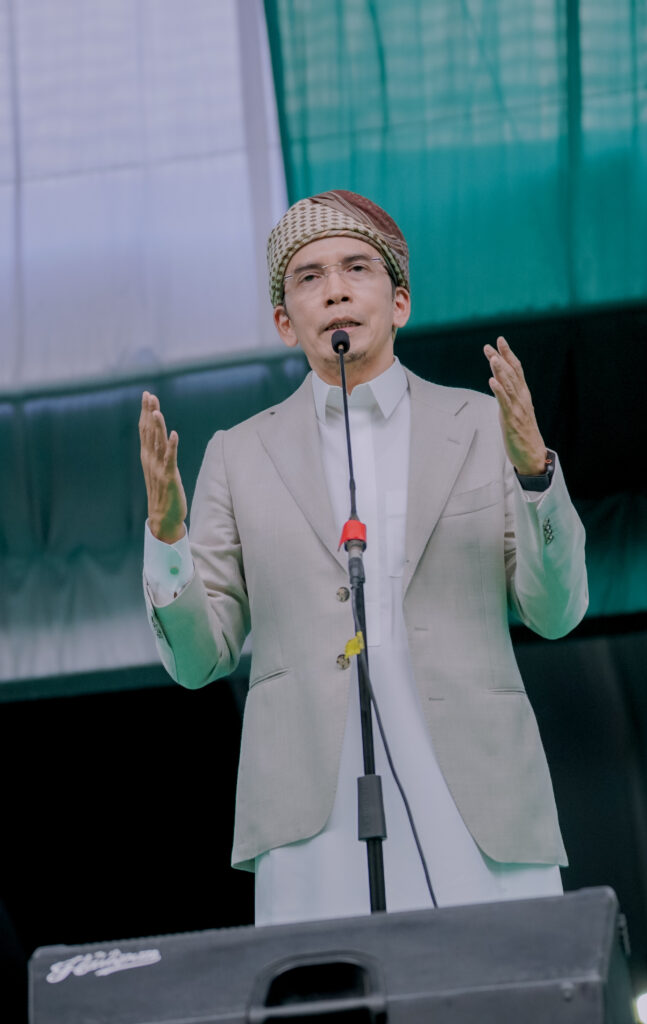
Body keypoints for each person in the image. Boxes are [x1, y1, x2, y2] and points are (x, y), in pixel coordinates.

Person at [139, 190, 588, 926]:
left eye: (357, 268)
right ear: (285, 322)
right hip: (311, 814)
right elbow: (197, 661)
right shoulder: (238, 454)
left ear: (400, 302)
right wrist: (167, 540)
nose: (336, 290)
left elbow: (557, 612)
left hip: (478, 796)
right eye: (309, 277)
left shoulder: (482, 426)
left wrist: (536, 475)